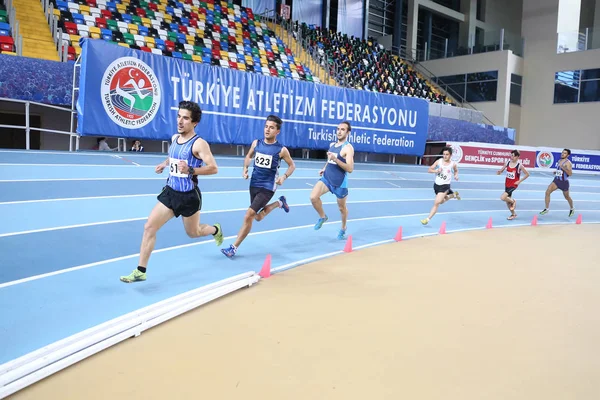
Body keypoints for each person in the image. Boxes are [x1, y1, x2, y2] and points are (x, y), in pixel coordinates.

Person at [120, 101, 224, 283]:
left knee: (193, 233)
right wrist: (164, 163)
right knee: (149, 227)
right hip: (170, 193)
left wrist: (191, 170)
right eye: (179, 116)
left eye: (185, 118)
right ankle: (140, 270)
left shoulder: (199, 144)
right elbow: (174, 156)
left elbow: (213, 168)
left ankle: (215, 230)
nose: (180, 121)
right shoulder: (175, 137)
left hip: (189, 197)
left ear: (194, 123)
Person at [221, 115, 295, 258]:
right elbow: (248, 156)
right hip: (254, 184)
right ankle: (280, 202)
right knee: (258, 217)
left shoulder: (281, 150)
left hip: (268, 187)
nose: (267, 130)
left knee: (249, 215)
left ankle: (233, 248)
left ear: (277, 131)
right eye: (266, 126)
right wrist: (245, 169)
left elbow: (292, 165)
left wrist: (284, 177)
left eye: (271, 127)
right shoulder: (256, 143)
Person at [309, 121, 355, 240]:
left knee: (342, 208)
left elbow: (350, 169)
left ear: (348, 132)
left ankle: (343, 227)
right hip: (327, 178)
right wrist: (324, 169)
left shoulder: (348, 148)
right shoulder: (332, 144)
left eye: (342, 129)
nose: (339, 132)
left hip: (340, 183)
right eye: (338, 129)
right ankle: (323, 217)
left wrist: (336, 159)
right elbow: (330, 160)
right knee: (313, 197)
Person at [421, 146, 461, 225]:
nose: (445, 156)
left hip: (445, 186)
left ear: (450, 155)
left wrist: (456, 175)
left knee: (436, 202)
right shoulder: (439, 161)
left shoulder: (453, 164)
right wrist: (436, 170)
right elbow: (429, 170)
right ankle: (452, 195)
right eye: (444, 154)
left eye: (447, 154)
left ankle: (427, 219)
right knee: (441, 201)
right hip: (436, 185)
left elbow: (456, 171)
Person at [540, 148, 575, 216]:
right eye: (562, 152)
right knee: (547, 192)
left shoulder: (568, 163)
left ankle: (572, 208)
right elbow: (560, 171)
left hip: (564, 182)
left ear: (568, 155)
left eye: (565, 153)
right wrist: (556, 172)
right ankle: (546, 209)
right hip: (556, 181)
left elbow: (570, 174)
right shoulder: (559, 161)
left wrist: (563, 168)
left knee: (567, 197)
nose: (562, 154)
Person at [496, 150, 530, 220]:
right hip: (507, 183)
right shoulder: (508, 162)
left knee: (503, 197)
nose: (511, 157)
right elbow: (502, 170)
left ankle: (513, 201)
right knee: (507, 202)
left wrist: (519, 181)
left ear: (517, 157)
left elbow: (527, 174)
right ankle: (513, 214)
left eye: (513, 156)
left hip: (513, 184)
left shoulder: (519, 165)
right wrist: (499, 172)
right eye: (511, 155)